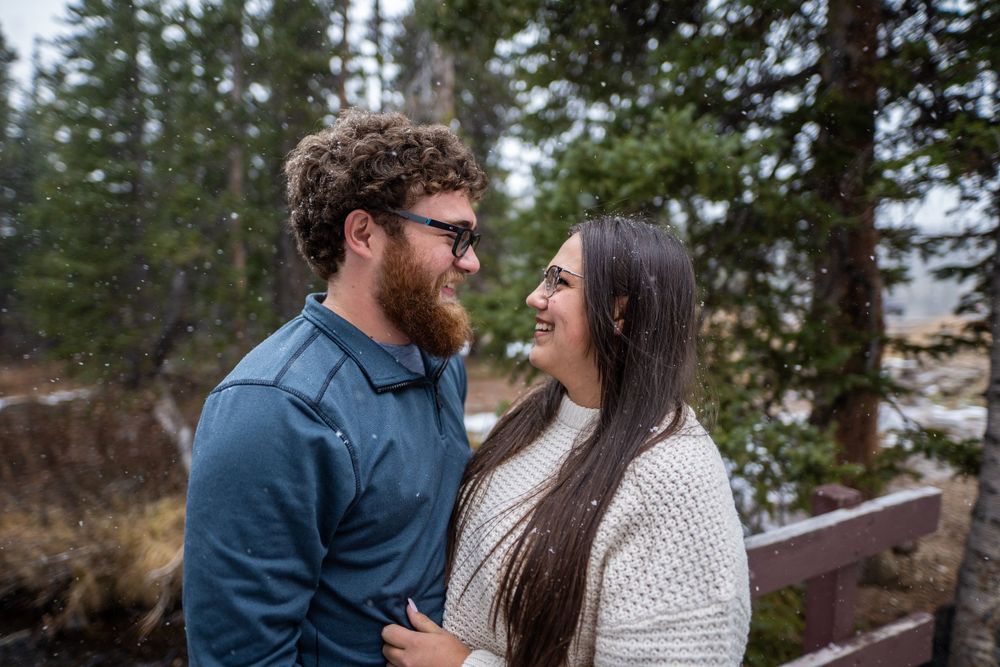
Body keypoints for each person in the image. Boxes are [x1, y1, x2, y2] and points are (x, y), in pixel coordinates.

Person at [183, 109, 488, 666]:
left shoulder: (442, 366)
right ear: (363, 234)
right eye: (453, 236)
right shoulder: (273, 408)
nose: (470, 262)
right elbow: (242, 657)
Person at [382, 215, 750, 666]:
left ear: (620, 312)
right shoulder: (534, 414)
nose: (535, 297)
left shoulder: (674, 480)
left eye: (560, 281)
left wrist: (462, 665)